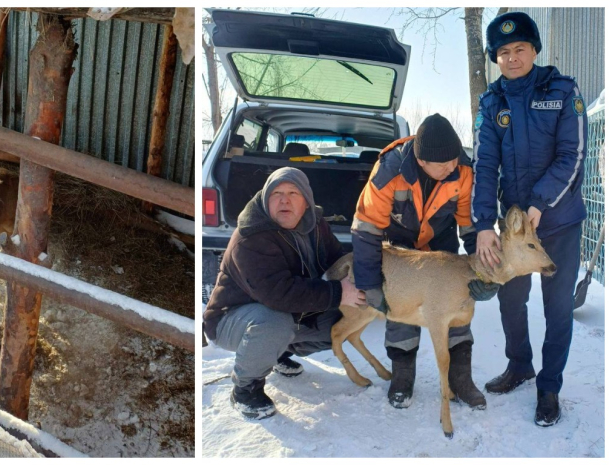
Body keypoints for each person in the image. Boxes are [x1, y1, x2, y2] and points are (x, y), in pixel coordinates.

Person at [472, 12, 587, 427]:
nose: (512, 57)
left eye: (519, 48)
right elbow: (483, 164)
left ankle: (549, 386)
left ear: (534, 50)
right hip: (513, 230)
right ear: (495, 58)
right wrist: (485, 223)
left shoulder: (562, 91)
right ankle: (519, 365)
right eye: (503, 52)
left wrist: (540, 203)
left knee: (557, 309)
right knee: (510, 300)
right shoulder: (491, 102)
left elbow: (571, 156)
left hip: (559, 223)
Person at [351, 114, 499, 410]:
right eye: (443, 164)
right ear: (421, 160)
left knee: (457, 306)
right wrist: (370, 285)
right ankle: (402, 378)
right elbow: (366, 229)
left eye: (454, 160)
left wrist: (485, 275)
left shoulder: (463, 171)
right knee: (400, 311)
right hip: (398, 248)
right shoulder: (388, 172)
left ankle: (461, 380)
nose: (451, 167)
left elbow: (471, 228)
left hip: (439, 245)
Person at [203, 167, 365, 419]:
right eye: (276, 193)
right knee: (275, 322)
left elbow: (336, 258)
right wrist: (337, 291)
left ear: (307, 201)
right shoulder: (251, 236)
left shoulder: (315, 224)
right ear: (266, 198)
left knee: (340, 322)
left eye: (293, 193)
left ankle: (277, 353)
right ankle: (245, 389)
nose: (284, 200)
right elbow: (277, 293)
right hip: (230, 319)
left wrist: (360, 278)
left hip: (278, 311)